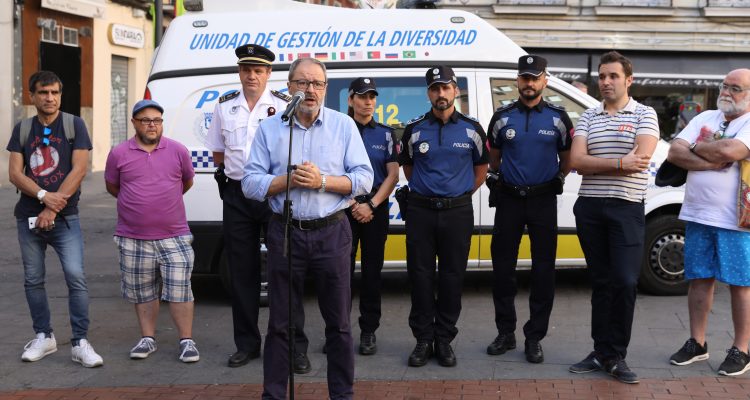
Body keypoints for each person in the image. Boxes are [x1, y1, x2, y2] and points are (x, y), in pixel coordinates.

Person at [243, 57, 373, 400]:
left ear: (326, 89)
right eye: (302, 83)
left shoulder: (343, 126)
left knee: (339, 324)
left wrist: (322, 181)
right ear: (289, 87)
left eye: (317, 83)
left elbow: (364, 179)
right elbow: (250, 183)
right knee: (280, 323)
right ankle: (274, 395)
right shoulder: (271, 129)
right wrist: (284, 181)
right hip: (285, 232)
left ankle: (342, 395)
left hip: (332, 232)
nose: (310, 90)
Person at [206, 44, 309, 370]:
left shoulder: (284, 105)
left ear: (268, 74)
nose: (252, 75)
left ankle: (293, 346)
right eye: (246, 70)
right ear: (240, 72)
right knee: (241, 273)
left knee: (285, 270)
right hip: (238, 197)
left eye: (258, 70)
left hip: (274, 193)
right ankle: (247, 344)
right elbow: (219, 154)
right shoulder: (225, 106)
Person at [568, 51, 659, 384]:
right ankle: (600, 351)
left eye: (613, 76)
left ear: (628, 80)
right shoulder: (588, 115)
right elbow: (577, 161)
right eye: (602, 76)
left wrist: (598, 163)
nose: (606, 82)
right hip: (590, 207)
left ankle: (616, 354)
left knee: (625, 280)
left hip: (626, 207)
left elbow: (642, 158)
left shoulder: (645, 113)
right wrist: (620, 162)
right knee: (601, 282)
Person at [7, 70, 103, 368]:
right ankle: (44, 336)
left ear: (60, 95)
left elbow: (79, 169)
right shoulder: (23, 128)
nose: (50, 98)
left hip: (64, 219)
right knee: (33, 279)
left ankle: (80, 342)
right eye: (43, 92)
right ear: (32, 96)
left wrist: (51, 208)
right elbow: (14, 173)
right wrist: (42, 196)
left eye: (54, 93)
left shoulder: (74, 125)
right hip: (28, 217)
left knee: (76, 277)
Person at [399, 66, 489, 368]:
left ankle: (444, 339)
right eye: (435, 88)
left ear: (455, 90)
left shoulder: (472, 129)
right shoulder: (414, 129)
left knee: (452, 277)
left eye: (446, 87)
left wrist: (458, 193)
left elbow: (481, 170)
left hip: (457, 212)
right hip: (421, 212)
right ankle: (423, 340)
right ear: (429, 93)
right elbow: (409, 169)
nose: (441, 93)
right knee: (420, 277)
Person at [485, 55, 573, 364]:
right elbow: (494, 159)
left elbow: (568, 159)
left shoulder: (559, 118)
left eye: (535, 78)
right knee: (502, 269)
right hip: (509, 199)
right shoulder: (502, 117)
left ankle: (534, 337)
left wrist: (555, 179)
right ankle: (505, 332)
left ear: (545, 80)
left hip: (543, 201)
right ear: (517, 81)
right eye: (525, 77)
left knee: (543, 271)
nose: (529, 83)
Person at [666, 68, 750, 376]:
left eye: (736, 88)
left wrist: (696, 147)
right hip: (698, 214)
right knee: (699, 279)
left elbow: (731, 149)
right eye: (724, 86)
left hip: (737, 220)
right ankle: (697, 343)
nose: (726, 92)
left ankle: (742, 348)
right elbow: (674, 152)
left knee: (741, 284)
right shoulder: (705, 118)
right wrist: (711, 158)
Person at [105, 99, 200, 363]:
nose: (152, 125)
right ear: (134, 123)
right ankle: (148, 338)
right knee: (143, 291)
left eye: (157, 120)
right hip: (133, 237)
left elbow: (186, 182)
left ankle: (187, 341)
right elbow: (113, 187)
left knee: (180, 289)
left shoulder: (178, 150)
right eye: (146, 120)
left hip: (175, 235)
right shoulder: (119, 153)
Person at [345, 77, 399, 356]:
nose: (368, 102)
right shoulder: (339, 129)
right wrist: (354, 204)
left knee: (371, 273)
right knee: (339, 274)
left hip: (375, 210)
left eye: (372, 97)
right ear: (351, 99)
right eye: (362, 96)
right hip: (344, 209)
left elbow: (393, 175)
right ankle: (339, 331)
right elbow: (332, 170)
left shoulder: (386, 134)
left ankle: (368, 331)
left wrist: (372, 205)